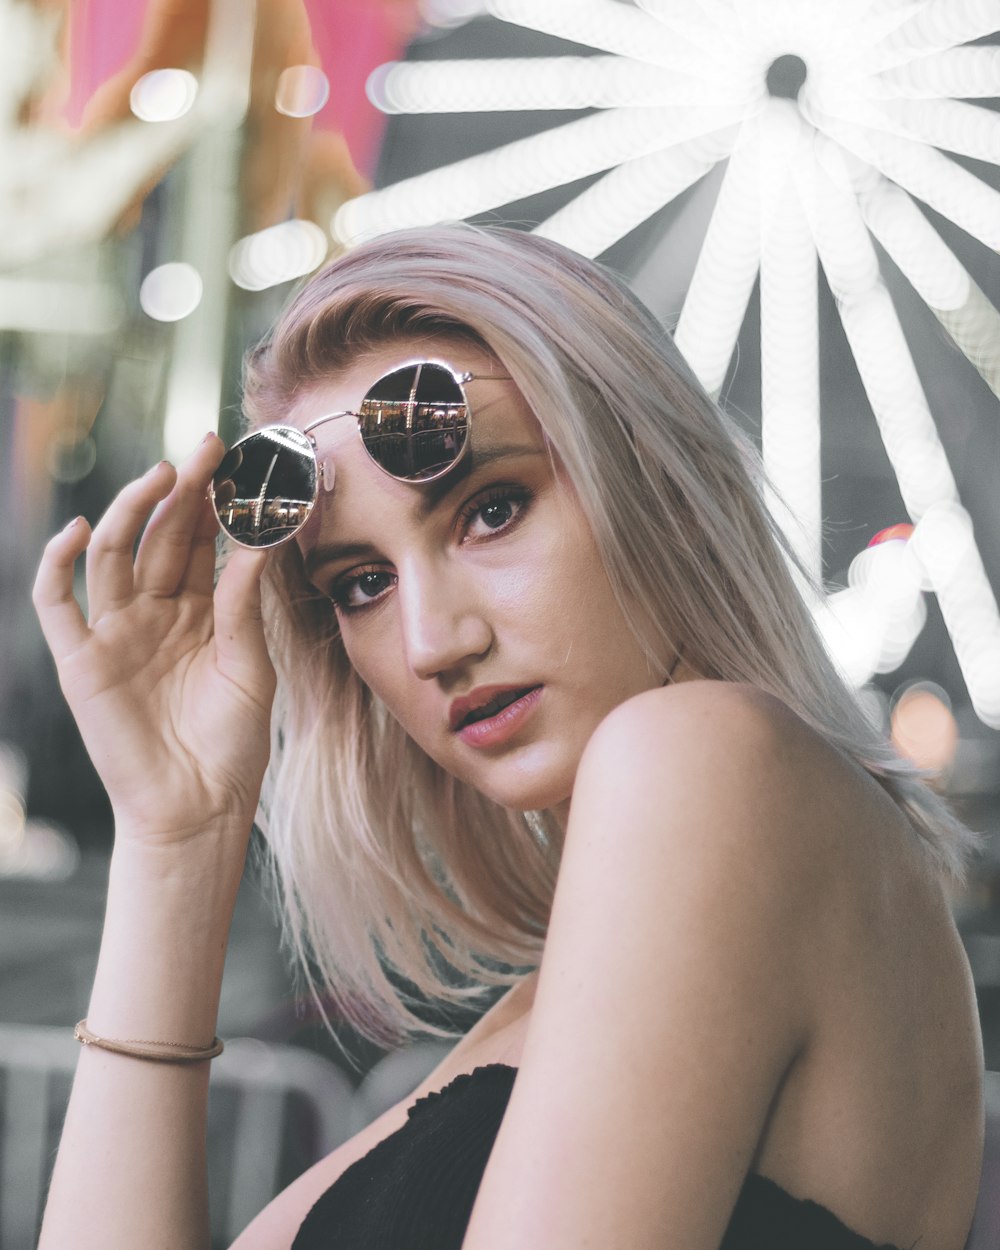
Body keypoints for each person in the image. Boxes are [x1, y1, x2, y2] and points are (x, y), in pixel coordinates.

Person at [32, 224, 984, 1250]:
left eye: (490, 509)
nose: (433, 639)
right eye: (361, 581)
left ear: (657, 484)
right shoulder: (533, 1014)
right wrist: (174, 837)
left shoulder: (708, 756)